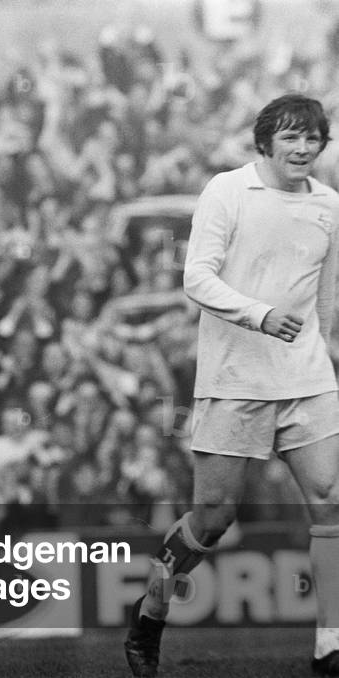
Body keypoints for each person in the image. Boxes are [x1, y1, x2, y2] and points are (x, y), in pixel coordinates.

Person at [124, 94, 339, 678]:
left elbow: (326, 301)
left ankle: (330, 645)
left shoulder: (329, 205)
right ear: (265, 140)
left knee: (330, 502)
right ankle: (149, 616)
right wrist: (259, 314)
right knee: (211, 518)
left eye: (313, 138)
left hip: (307, 376)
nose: (303, 148)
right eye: (291, 137)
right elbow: (196, 276)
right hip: (237, 375)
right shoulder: (227, 190)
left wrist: (327, 349)